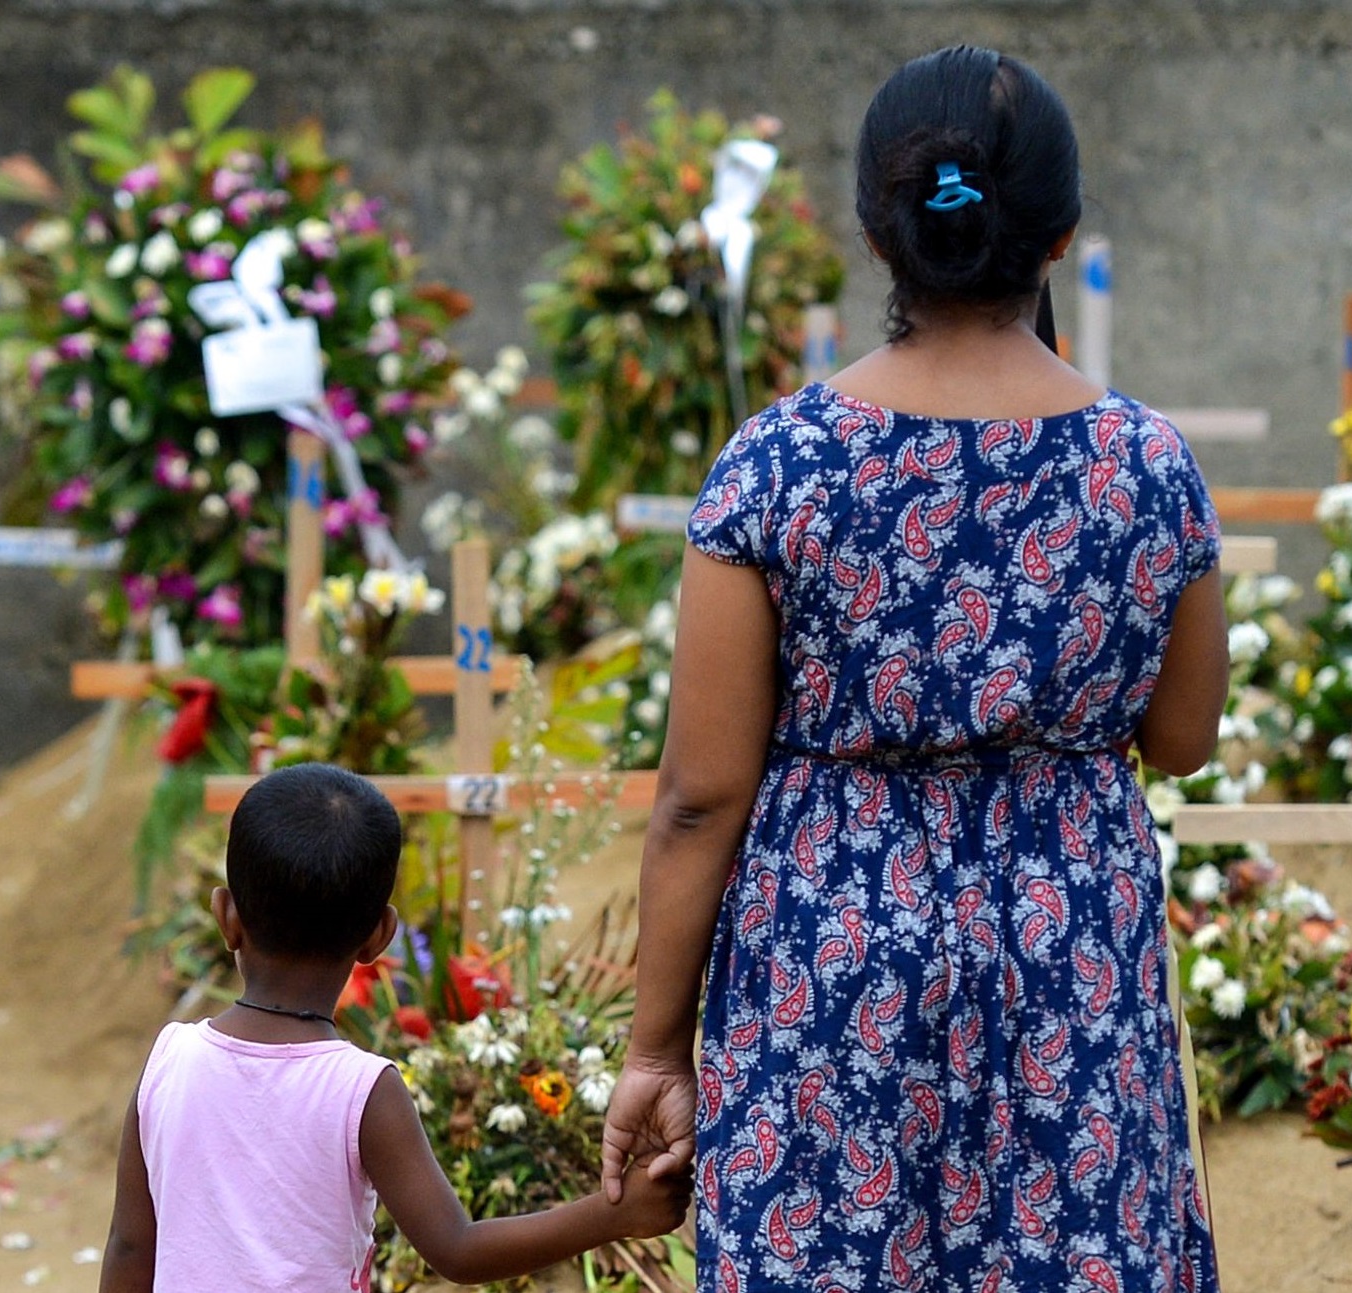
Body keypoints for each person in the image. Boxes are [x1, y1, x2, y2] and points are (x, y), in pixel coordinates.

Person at [599, 44, 1230, 1292]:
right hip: (1074, 973)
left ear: (878, 240)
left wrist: (657, 1053)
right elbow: (1181, 740)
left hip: (828, 963)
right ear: (1059, 241)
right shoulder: (1148, 467)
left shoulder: (777, 467)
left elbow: (701, 793)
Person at [100, 762, 692, 1292]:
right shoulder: (361, 1089)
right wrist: (617, 1213)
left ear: (226, 917)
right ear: (380, 937)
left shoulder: (168, 1059)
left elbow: (131, 1247)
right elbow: (456, 1249)